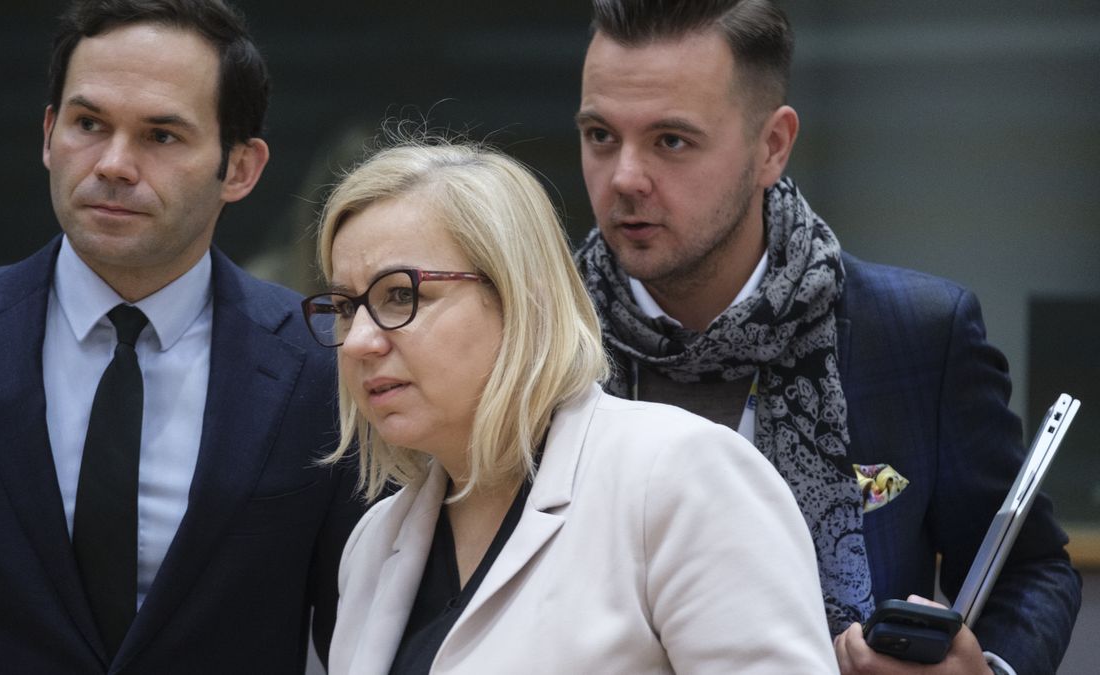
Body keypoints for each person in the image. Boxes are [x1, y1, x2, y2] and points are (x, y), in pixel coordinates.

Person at [572, 1, 1082, 674]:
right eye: (601, 135)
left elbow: (1033, 570)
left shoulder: (913, 335)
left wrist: (987, 667)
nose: (624, 177)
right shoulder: (532, 341)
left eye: (671, 141)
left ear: (771, 147)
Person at [0, 1, 360, 672]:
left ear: (240, 168)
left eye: (161, 135)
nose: (114, 163)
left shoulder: (320, 366)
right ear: (49, 134)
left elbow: (363, 636)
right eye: (89, 124)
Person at [303, 138, 838, 674]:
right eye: (346, 307)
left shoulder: (679, 477)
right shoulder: (374, 543)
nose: (357, 342)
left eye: (401, 295)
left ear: (520, 299)